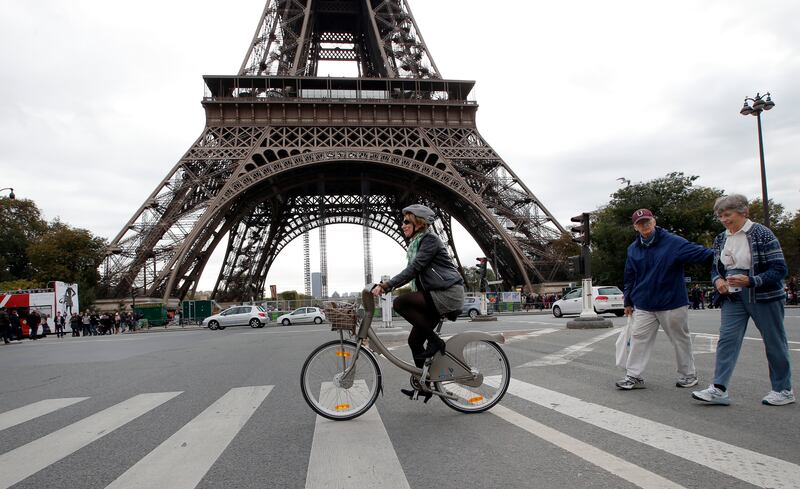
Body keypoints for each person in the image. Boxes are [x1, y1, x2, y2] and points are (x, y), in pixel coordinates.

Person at [692, 194, 794, 406]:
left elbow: (779, 269)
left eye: (728, 214)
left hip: (763, 294)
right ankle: (719, 389)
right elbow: (714, 267)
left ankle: (783, 389)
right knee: (727, 340)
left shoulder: (762, 234)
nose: (724, 219)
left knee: (774, 342)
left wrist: (752, 280)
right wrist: (717, 280)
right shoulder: (721, 238)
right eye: (720, 216)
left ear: (743, 212)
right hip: (732, 295)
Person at [371, 204, 465, 401]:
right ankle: (425, 385)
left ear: (419, 223)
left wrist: (386, 286)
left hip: (447, 293)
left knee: (400, 303)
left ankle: (435, 341)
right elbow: (414, 272)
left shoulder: (429, 240)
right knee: (414, 341)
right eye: (402, 221)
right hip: (434, 294)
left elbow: (414, 269)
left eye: (407, 221)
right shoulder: (416, 243)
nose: (402, 225)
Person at [616, 208, 713, 390]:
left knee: (679, 339)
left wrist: (724, 254)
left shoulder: (673, 242)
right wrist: (628, 301)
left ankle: (688, 374)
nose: (644, 225)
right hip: (645, 302)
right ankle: (633, 375)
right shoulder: (633, 249)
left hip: (671, 301)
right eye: (640, 223)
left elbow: (701, 254)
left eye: (647, 221)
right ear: (635, 227)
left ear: (654, 222)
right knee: (638, 338)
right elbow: (629, 276)